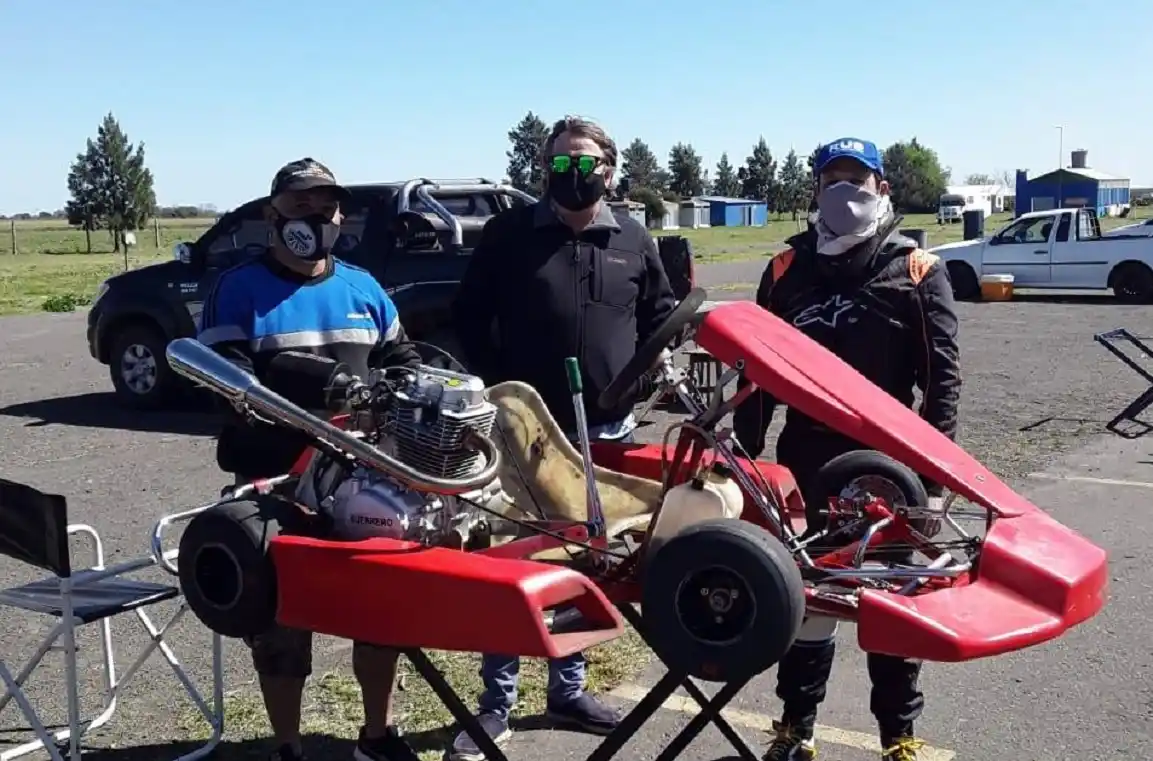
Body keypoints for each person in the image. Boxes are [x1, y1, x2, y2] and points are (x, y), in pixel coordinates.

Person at [449, 116, 677, 760]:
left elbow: (660, 316)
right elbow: (469, 315)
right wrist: (498, 386)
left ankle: (567, 690)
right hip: (524, 432)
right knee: (514, 559)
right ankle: (496, 703)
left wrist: (641, 378)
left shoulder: (632, 238)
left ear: (609, 170)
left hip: (605, 427)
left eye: (585, 164)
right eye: (559, 164)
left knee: (585, 559)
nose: (571, 175)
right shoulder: (510, 234)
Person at [731, 138, 961, 761]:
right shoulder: (786, 269)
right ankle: (796, 727)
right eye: (831, 179)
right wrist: (747, 466)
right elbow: (757, 376)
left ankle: (898, 737)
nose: (844, 191)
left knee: (891, 604)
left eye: (856, 180)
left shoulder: (917, 269)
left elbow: (942, 383)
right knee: (807, 600)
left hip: (889, 469)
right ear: (814, 189)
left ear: (882, 187)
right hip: (805, 461)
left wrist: (933, 482)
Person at [197, 158, 423, 761]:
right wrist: (310, 396)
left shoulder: (364, 288)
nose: (316, 218)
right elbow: (226, 380)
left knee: (379, 614)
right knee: (280, 625)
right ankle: (287, 747)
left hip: (364, 481)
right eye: (301, 207)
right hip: (276, 483)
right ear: (272, 216)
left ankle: (377, 736)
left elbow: (401, 359)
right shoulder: (237, 289)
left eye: (327, 208)